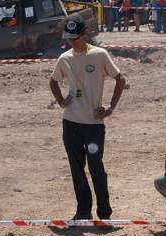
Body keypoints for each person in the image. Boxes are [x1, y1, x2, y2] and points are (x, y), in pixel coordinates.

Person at [48, 18, 127, 221]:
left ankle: (104, 213)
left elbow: (120, 79)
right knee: (77, 168)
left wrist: (111, 107)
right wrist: (60, 100)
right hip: (71, 123)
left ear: (84, 35)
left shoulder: (99, 55)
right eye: (68, 38)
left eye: (74, 38)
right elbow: (53, 80)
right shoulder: (64, 58)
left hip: (93, 125)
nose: (71, 42)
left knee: (96, 167)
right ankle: (83, 211)